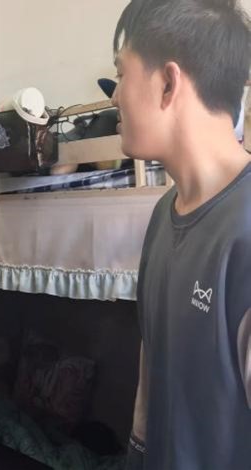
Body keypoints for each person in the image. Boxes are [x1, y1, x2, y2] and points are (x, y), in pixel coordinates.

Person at [110, 0, 251, 469]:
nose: (115, 96)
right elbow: (153, 368)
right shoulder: (162, 216)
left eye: (121, 74)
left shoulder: (245, 233)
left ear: (169, 83)